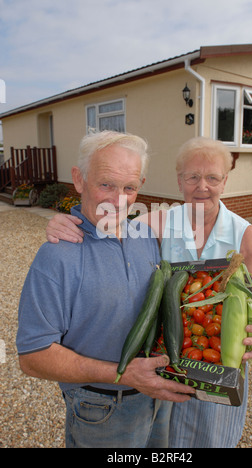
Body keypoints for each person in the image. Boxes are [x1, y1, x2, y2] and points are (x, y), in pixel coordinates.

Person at [45, 136, 252, 448]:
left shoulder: (247, 235)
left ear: (225, 181)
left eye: (212, 177)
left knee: (212, 440)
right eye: (192, 176)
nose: (202, 186)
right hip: (172, 362)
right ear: (179, 180)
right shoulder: (157, 223)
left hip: (220, 363)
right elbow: (107, 225)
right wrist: (64, 222)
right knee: (168, 442)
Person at [16, 130, 195, 449]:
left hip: (158, 397)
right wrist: (124, 374)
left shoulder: (144, 235)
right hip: (102, 410)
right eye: (106, 184)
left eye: (129, 187)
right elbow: (33, 355)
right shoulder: (58, 254)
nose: (118, 200)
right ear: (79, 179)